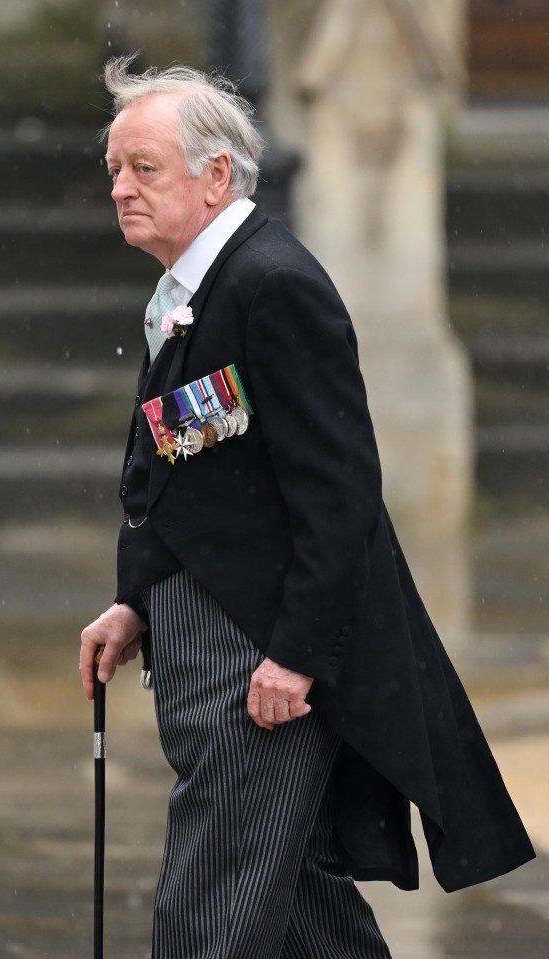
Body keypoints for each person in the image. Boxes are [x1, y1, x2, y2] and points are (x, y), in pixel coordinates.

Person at [80, 54, 534, 959]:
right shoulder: (195, 286)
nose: (123, 190)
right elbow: (180, 462)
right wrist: (137, 597)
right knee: (301, 912)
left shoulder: (272, 283)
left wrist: (295, 654)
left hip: (259, 655)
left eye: (145, 169)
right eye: (116, 172)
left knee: (209, 910)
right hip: (211, 634)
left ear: (217, 175)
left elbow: (341, 495)